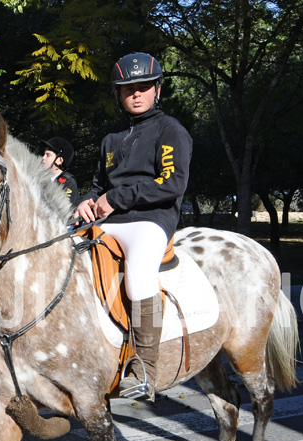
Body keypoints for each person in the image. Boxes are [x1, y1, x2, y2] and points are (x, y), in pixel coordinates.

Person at [74, 52, 193, 398]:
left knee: (139, 274)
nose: (136, 94)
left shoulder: (170, 129)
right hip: (110, 220)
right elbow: (99, 187)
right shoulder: (110, 140)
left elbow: (172, 184)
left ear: (157, 89)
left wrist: (117, 198)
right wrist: (85, 200)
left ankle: (145, 369)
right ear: (118, 95)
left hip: (152, 220)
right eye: (129, 89)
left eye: (144, 87)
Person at [41, 137, 80, 206]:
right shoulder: (40, 178)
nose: (43, 158)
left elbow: (65, 209)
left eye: (48, 155)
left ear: (59, 160)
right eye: (44, 154)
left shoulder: (68, 183)